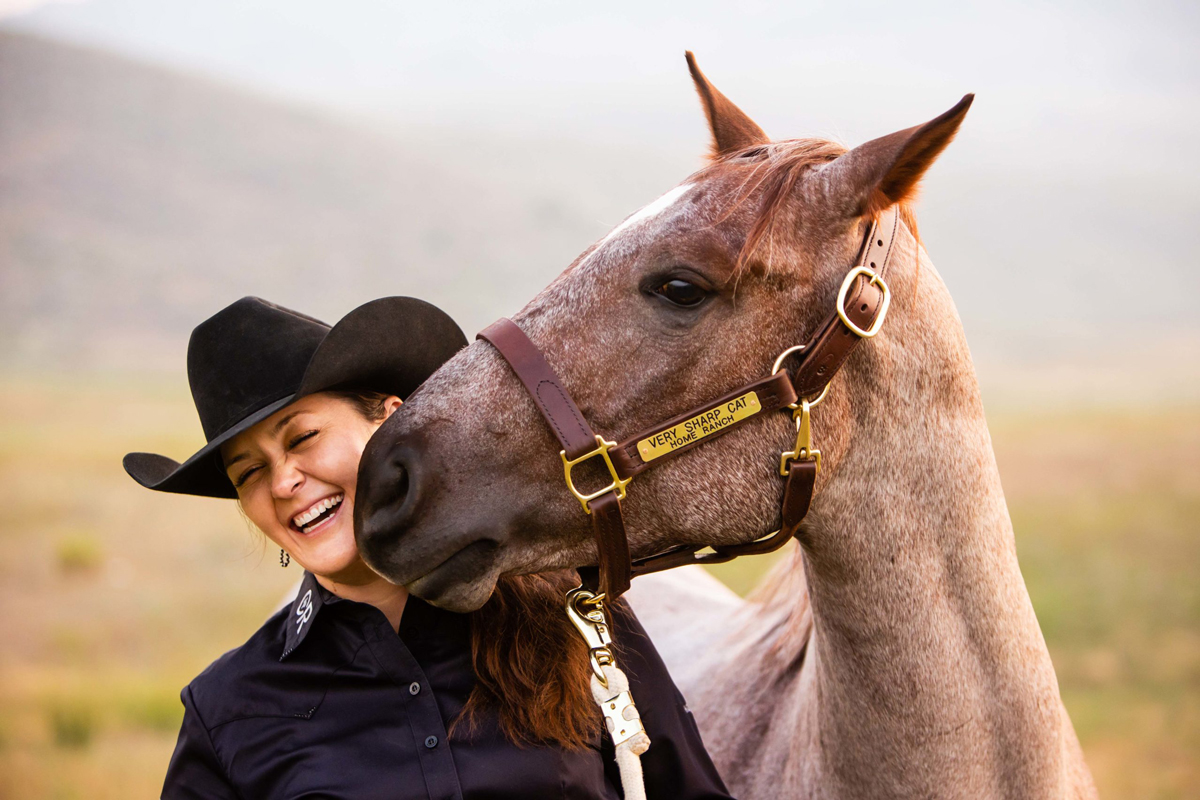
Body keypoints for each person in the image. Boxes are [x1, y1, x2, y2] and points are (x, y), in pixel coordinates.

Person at [123, 296, 732, 799]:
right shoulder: (228, 709)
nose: (283, 483)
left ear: (395, 423)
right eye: (249, 474)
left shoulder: (577, 621)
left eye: (303, 437)